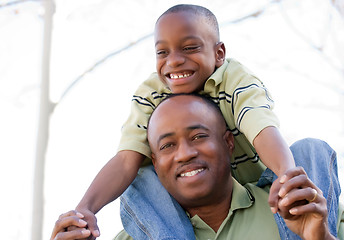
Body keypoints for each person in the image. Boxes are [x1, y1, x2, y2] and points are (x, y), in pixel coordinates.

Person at [72, 4, 339, 240]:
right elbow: (125, 159)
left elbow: (262, 128)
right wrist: (84, 210)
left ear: (219, 53)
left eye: (189, 48)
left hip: (263, 186)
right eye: (162, 52)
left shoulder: (236, 79)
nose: (174, 60)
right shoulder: (150, 94)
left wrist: (286, 176)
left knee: (311, 149)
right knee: (137, 180)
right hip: (174, 213)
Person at [50, 94, 344, 240]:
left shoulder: (309, 211)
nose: (185, 154)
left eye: (199, 136)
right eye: (167, 146)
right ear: (154, 162)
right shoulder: (137, 233)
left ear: (229, 143)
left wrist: (318, 237)